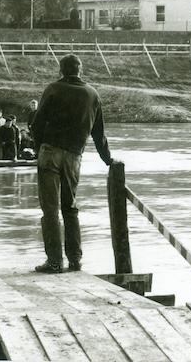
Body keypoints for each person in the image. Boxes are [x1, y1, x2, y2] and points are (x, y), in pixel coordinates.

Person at [30, 54, 113, 274]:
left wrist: (41, 148)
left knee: (50, 210)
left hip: (50, 152)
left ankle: (55, 262)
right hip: (75, 156)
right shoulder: (92, 94)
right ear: (80, 69)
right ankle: (75, 260)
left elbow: (36, 125)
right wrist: (108, 160)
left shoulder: (53, 89)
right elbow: (99, 134)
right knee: (71, 208)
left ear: (61, 70)